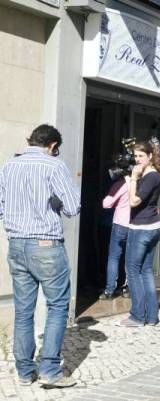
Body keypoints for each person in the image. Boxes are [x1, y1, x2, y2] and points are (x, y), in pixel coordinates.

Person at [0, 124, 80, 387]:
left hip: (16, 243)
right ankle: (50, 370)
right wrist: (54, 202)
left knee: (23, 310)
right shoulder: (53, 166)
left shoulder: (9, 166)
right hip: (45, 244)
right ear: (53, 146)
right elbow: (72, 206)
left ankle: (24, 372)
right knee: (57, 306)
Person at [117, 141, 160, 328]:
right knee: (145, 272)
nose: (137, 160)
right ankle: (151, 316)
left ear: (150, 156)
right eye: (135, 156)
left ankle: (137, 316)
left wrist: (133, 179)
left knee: (133, 271)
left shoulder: (150, 176)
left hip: (142, 228)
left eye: (141, 156)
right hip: (151, 227)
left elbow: (134, 201)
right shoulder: (153, 174)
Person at [100, 176, 130, 300]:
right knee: (130, 259)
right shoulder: (140, 183)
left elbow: (106, 204)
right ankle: (127, 288)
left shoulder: (121, 184)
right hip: (134, 225)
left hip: (120, 224)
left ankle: (109, 290)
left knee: (114, 258)